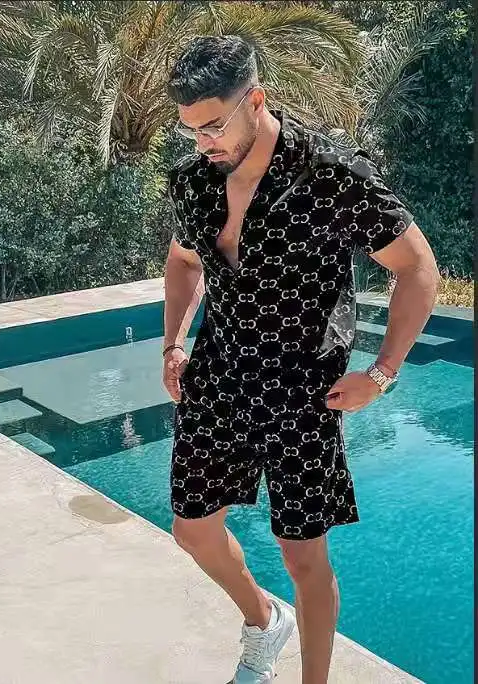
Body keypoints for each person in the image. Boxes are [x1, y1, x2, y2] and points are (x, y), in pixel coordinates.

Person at [162, 35, 440, 684]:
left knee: (302, 556)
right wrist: (174, 340)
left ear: (255, 101)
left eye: (213, 125)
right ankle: (263, 619)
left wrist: (382, 372)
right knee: (192, 529)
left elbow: (418, 268)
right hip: (218, 372)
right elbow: (182, 260)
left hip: (302, 388)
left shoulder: (333, 176)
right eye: (190, 130)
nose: (203, 142)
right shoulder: (192, 180)